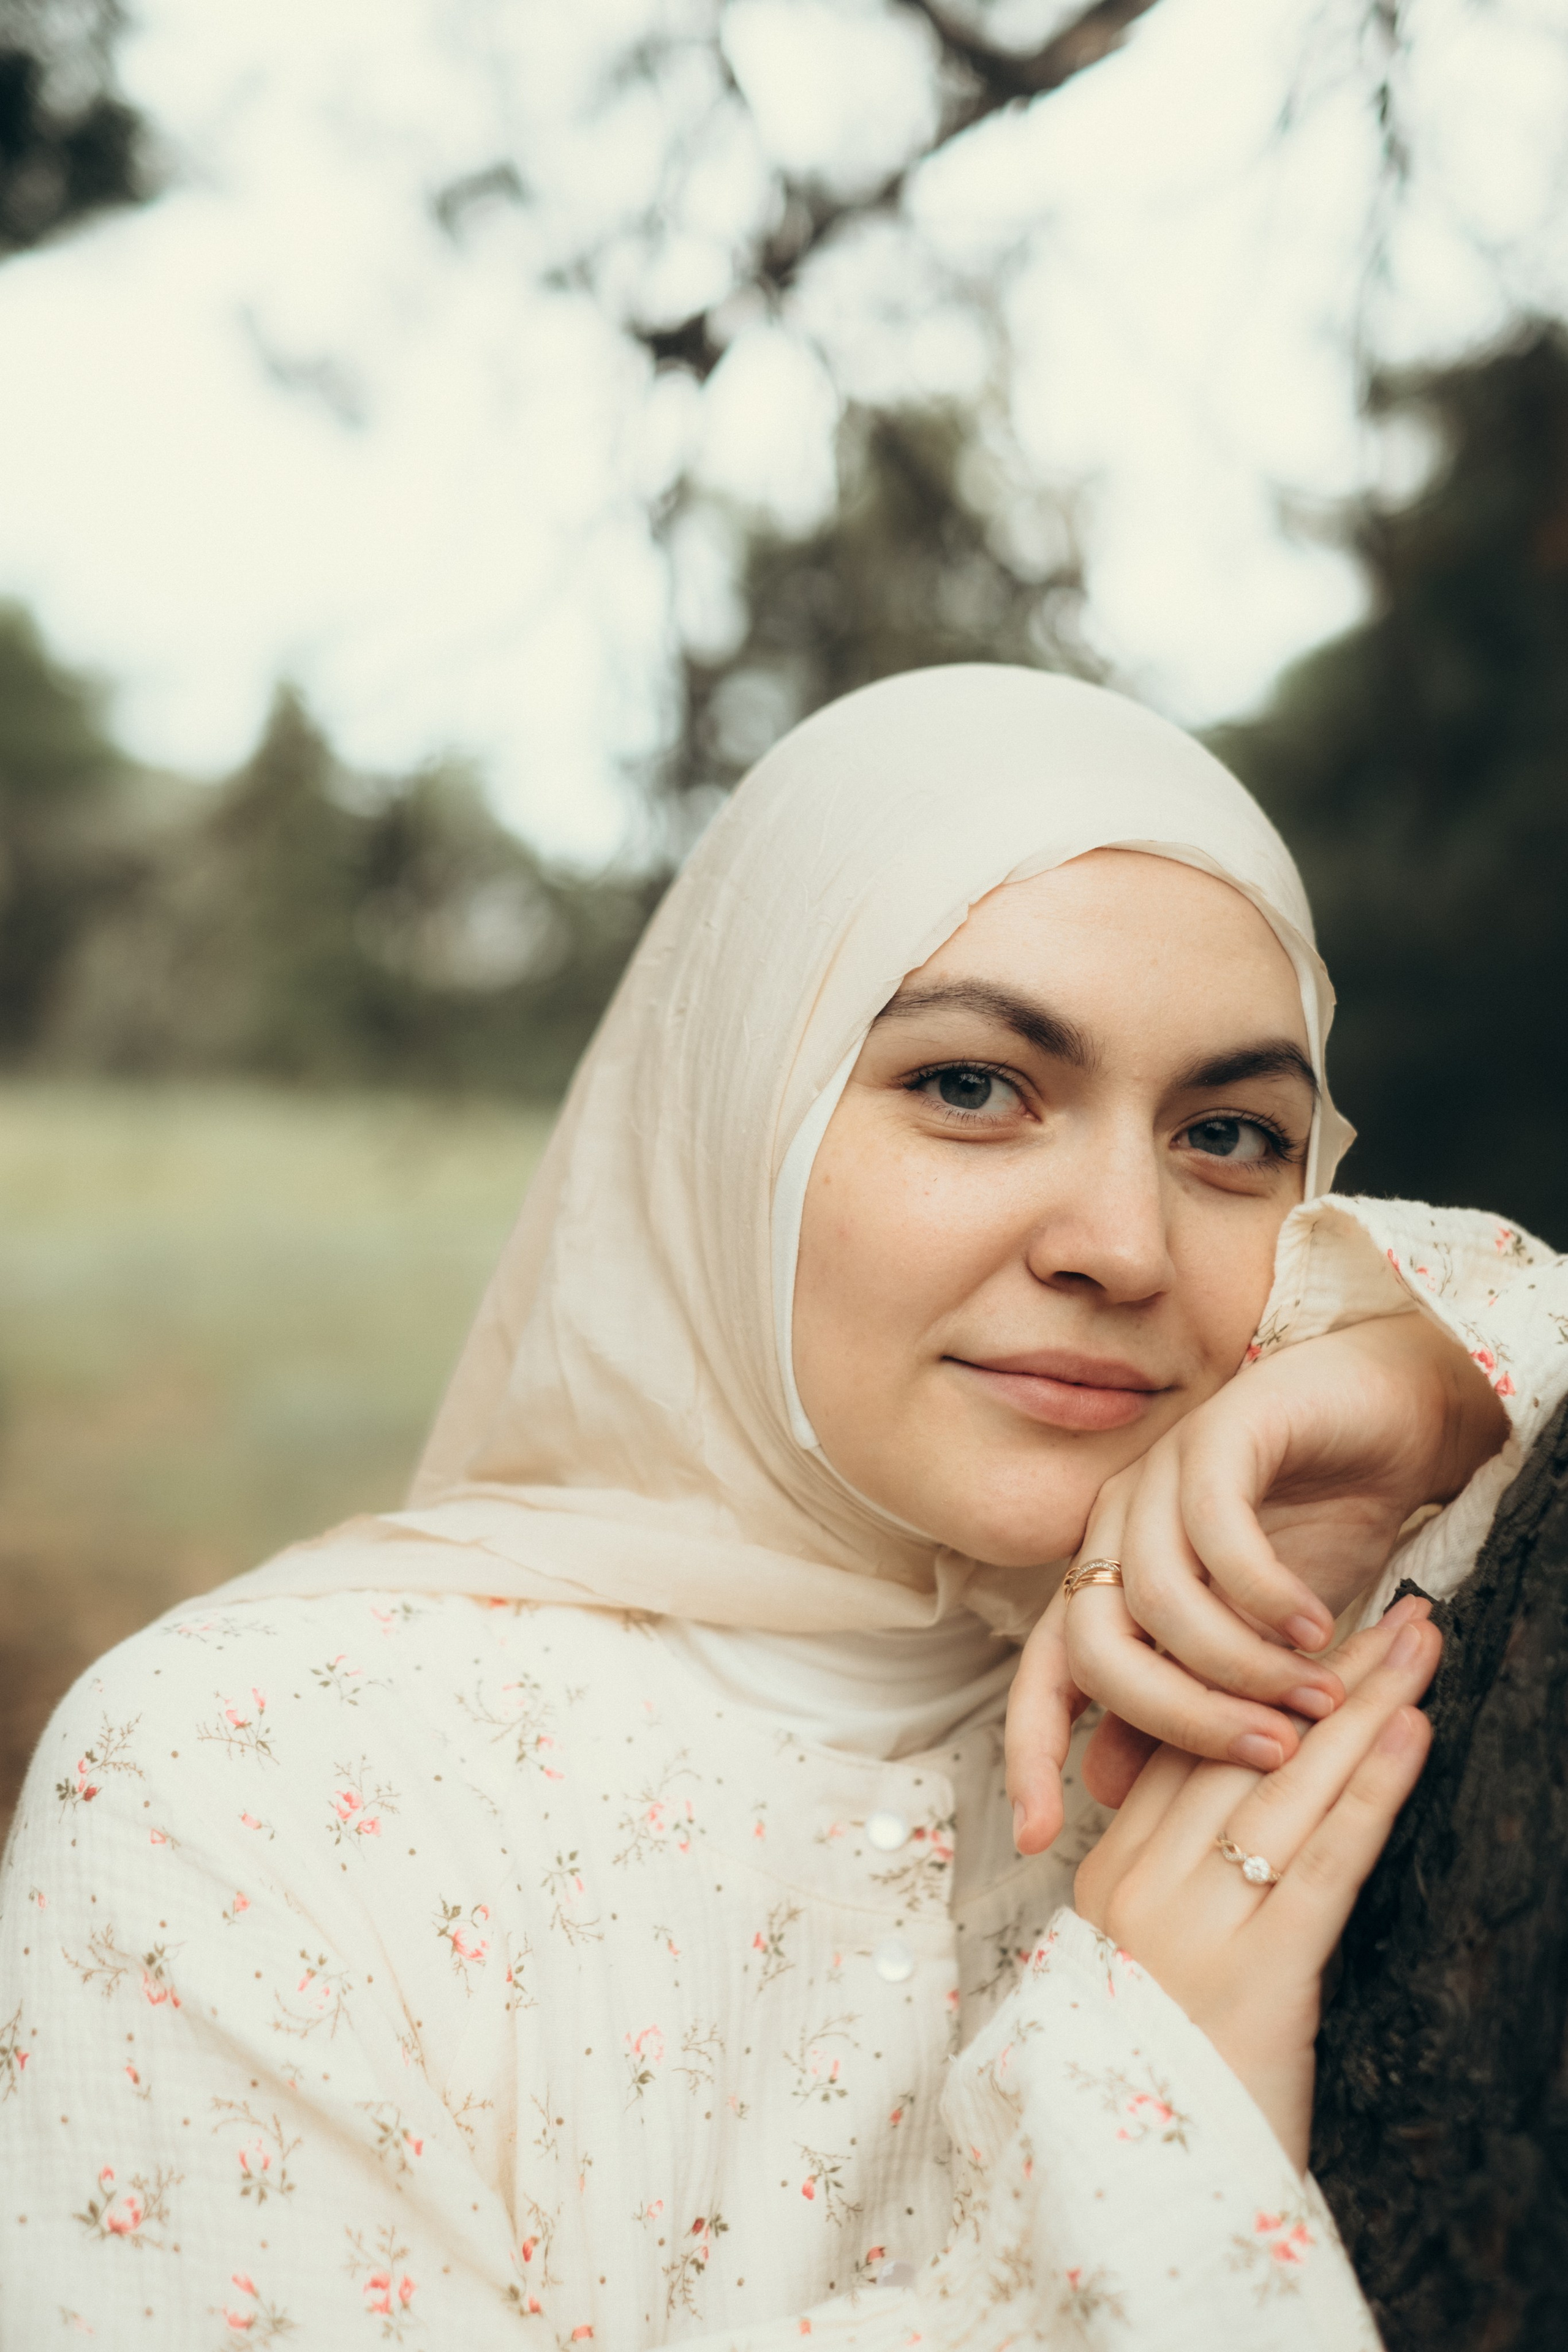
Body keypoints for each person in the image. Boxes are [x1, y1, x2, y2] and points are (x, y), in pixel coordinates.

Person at [1, 666, 1564, 2348]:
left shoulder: (1347, 1640)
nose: (1123, 1244)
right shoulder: (248, 1786)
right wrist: (1141, 2138)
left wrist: (1431, 1389)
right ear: (735, 1116)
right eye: (973, 1088)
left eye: (1232, 1134)